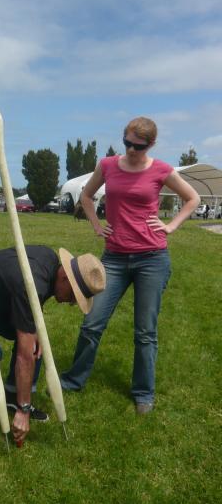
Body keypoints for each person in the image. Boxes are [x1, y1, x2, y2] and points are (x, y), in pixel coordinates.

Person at [60, 117, 200, 414]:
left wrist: (171, 226)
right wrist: (97, 226)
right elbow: (86, 196)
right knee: (92, 322)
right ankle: (74, 380)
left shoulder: (161, 169)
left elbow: (192, 198)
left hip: (152, 259)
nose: (132, 150)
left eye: (138, 146)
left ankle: (143, 393)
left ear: (151, 145)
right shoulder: (108, 165)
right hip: (114, 258)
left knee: (145, 331)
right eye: (127, 143)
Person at [0, 245, 106, 450]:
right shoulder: (33, 281)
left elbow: (30, 297)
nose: (71, 303)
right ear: (65, 279)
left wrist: (35, 329)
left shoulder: (49, 261)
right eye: (73, 296)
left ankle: (12, 394)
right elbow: (24, 357)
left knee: (36, 340)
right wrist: (24, 411)